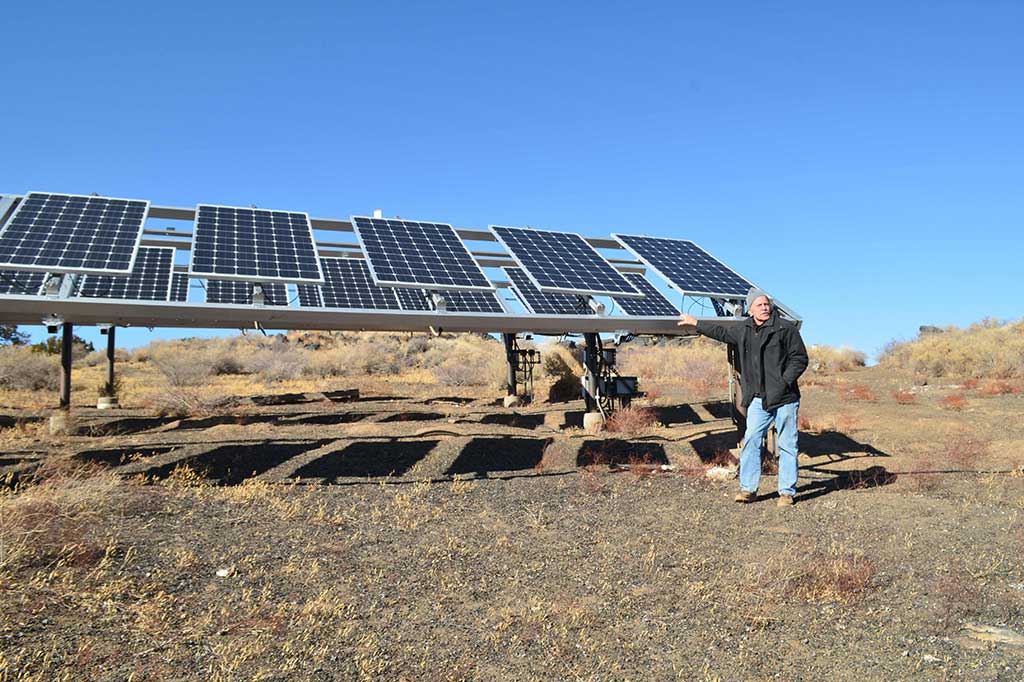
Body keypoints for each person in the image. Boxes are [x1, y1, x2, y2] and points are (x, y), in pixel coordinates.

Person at [677, 288, 808, 507]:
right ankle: (748, 489)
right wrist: (696, 323)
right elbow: (721, 333)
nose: (764, 308)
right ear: (750, 309)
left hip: (785, 398)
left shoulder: (785, 329)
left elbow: (800, 358)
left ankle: (786, 492)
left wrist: (784, 381)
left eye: (766, 304)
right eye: (759, 305)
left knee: (787, 444)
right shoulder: (743, 329)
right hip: (758, 399)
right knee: (751, 441)